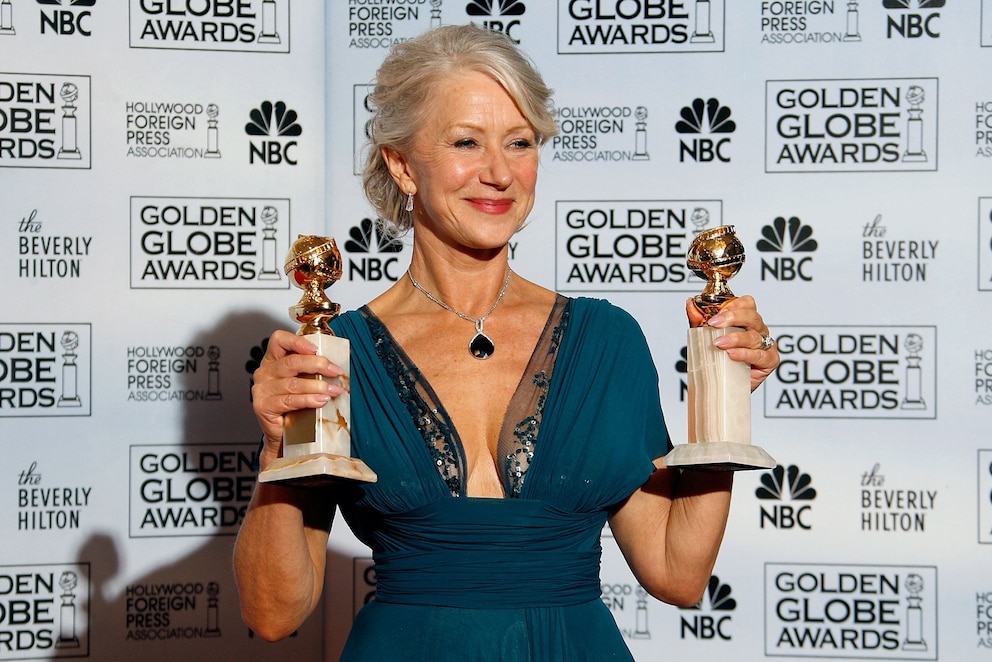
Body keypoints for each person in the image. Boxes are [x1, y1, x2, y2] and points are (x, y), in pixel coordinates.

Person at [234, 23, 780, 661]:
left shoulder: (606, 342)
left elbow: (676, 574)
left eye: (519, 143)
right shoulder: (334, 355)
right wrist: (279, 446)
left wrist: (725, 399)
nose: (498, 173)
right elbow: (274, 614)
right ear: (402, 164)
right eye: (467, 141)